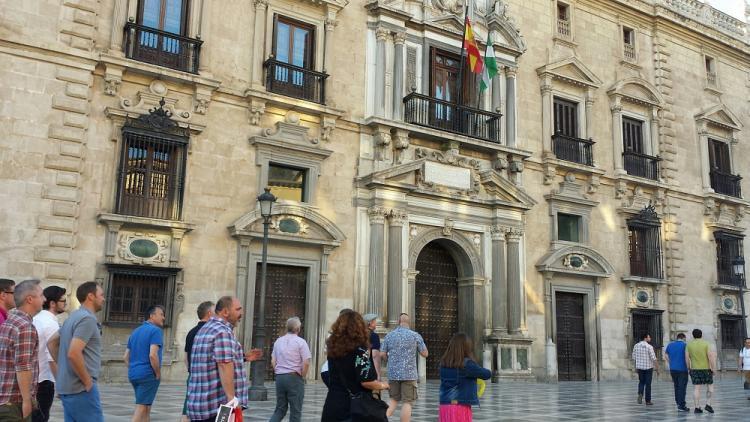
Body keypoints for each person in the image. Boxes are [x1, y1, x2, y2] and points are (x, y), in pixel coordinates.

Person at [186, 296, 261, 422]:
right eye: (238, 309)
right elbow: (224, 365)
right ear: (225, 312)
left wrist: (242, 357)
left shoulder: (207, 328)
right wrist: (232, 399)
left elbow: (212, 360)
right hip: (216, 408)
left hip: (201, 404)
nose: (241, 313)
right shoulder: (222, 332)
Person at [48, 281, 105, 422]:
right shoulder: (87, 319)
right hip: (81, 389)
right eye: (101, 295)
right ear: (91, 296)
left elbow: (51, 343)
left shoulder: (73, 317)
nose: (104, 298)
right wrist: (87, 382)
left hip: (69, 387)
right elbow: (73, 353)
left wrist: (63, 370)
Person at [321, 310, 389, 421]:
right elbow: (366, 381)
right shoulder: (360, 350)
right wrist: (383, 385)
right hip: (353, 408)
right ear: (359, 327)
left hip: (332, 405)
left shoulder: (332, 347)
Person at [0, 279, 44, 421]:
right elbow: (23, 367)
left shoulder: (10, 321)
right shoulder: (25, 327)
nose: (45, 299)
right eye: (41, 295)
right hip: (14, 402)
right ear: (30, 299)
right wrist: (27, 401)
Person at [382, 313, 428, 422]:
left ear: (398, 322)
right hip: (409, 374)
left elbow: (382, 353)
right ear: (409, 322)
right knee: (407, 402)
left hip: (393, 374)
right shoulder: (415, 335)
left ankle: (381, 419)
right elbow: (425, 353)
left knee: (393, 399)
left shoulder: (389, 335)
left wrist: (389, 361)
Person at [123, 305, 166, 422]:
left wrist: (133, 368)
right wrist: (157, 373)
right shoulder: (156, 331)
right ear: (152, 316)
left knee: (146, 406)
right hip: (148, 374)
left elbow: (126, 356)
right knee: (141, 408)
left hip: (134, 374)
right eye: (161, 314)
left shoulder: (135, 331)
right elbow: (153, 355)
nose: (164, 317)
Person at [32, 285, 67, 422]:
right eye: (63, 301)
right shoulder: (51, 324)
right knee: (41, 417)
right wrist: (61, 384)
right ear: (52, 303)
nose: (66, 304)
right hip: (44, 381)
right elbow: (51, 357)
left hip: (35, 379)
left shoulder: (37, 318)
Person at [438, 333, 491, 421]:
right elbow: (487, 374)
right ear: (466, 348)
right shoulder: (467, 365)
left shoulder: (443, 363)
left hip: (444, 405)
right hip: (459, 407)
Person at [270, 316, 312, 422]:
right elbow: (306, 362)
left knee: (280, 409)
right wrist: (302, 375)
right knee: (295, 411)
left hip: (280, 378)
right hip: (294, 377)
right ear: (298, 329)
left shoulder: (278, 341)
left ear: (286, 328)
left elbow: (273, 361)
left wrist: (279, 372)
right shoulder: (301, 342)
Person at [181, 301, 214, 422]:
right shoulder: (210, 332)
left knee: (187, 409)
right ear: (209, 313)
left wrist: (191, 371)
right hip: (207, 379)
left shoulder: (191, 332)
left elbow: (185, 357)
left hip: (192, 376)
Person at [686, 328, 716, 414]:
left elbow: (687, 358)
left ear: (693, 335)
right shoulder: (706, 343)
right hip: (706, 369)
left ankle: (697, 407)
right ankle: (708, 404)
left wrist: (689, 368)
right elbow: (710, 357)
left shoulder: (689, 345)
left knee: (696, 388)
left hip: (695, 369)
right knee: (710, 387)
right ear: (701, 335)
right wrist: (713, 368)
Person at [664, 333, 689, 412]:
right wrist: (688, 367)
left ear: (677, 338)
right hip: (682, 369)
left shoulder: (670, 345)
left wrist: (670, 362)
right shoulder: (685, 345)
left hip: (673, 369)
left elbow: (666, 355)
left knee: (676, 386)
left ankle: (678, 402)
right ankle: (681, 405)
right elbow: (686, 357)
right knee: (682, 387)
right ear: (683, 338)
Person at [632, 333, 658, 405]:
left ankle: (640, 393)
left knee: (641, 382)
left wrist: (635, 367)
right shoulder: (649, 347)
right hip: (648, 367)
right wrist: (657, 368)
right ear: (645, 338)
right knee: (648, 384)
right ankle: (648, 400)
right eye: (649, 337)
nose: (650, 338)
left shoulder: (636, 346)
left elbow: (634, 358)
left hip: (640, 367)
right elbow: (654, 358)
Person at [363, 313, 382, 380]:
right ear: (370, 323)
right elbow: (375, 355)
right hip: (370, 368)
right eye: (375, 321)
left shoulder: (359, 335)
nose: (376, 323)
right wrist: (378, 374)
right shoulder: (374, 336)